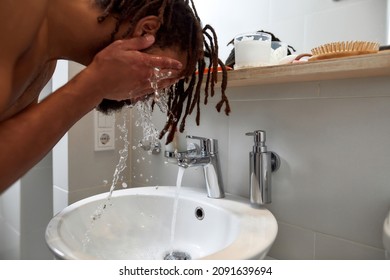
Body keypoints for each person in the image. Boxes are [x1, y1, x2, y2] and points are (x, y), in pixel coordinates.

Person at [0, 0, 229, 193]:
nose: (149, 94)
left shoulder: (43, 68)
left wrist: (95, 85)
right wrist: (94, 84)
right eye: (159, 75)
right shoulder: (19, 8)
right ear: (145, 30)